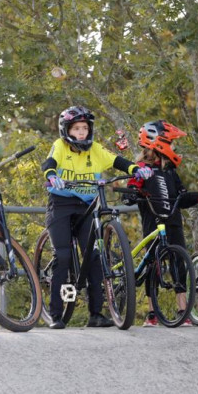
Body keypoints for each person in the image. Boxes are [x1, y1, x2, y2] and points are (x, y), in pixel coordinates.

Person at [42, 105, 153, 329]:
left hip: (86, 205)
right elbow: (50, 163)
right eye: (76, 128)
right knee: (62, 256)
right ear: (67, 130)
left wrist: (136, 169)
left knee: (93, 257)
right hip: (61, 204)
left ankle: (96, 314)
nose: (81, 132)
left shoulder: (95, 149)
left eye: (84, 128)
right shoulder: (60, 146)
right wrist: (52, 176)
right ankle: (55, 315)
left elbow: (116, 161)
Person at [126, 120, 198, 327]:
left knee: (179, 263)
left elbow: (182, 196)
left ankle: (183, 310)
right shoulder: (142, 169)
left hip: (173, 222)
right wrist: (132, 194)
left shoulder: (170, 172)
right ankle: (152, 314)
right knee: (153, 264)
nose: (174, 148)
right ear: (157, 142)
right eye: (171, 142)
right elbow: (132, 186)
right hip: (153, 223)